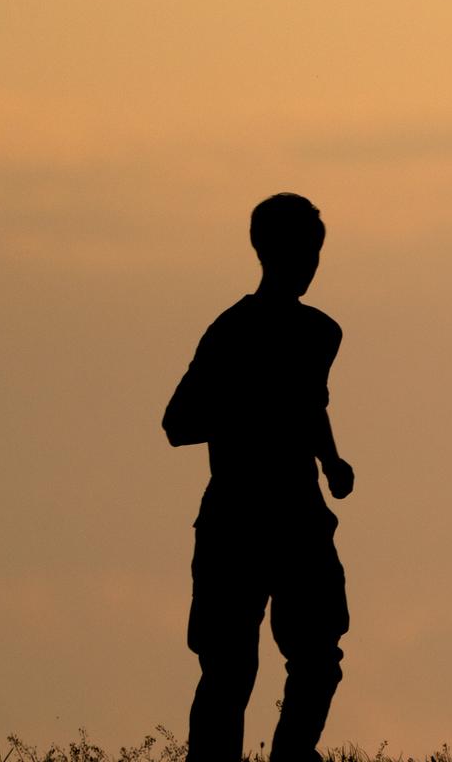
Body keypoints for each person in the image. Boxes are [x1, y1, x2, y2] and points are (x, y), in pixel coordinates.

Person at [163, 193, 356, 762]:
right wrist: (251, 413)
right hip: (237, 519)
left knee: (319, 654)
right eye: (302, 252)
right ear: (268, 253)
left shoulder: (322, 334)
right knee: (228, 666)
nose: (310, 264)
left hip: (300, 517)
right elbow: (178, 423)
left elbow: (310, 406)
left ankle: (292, 756)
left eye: (315, 253)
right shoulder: (231, 332)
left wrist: (330, 459)